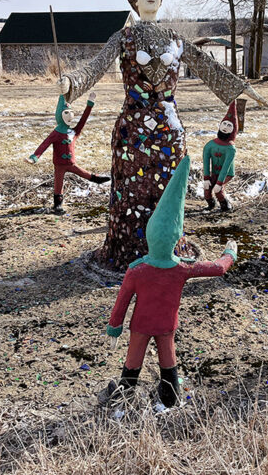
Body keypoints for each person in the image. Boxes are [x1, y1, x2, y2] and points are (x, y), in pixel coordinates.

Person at [57, 0, 266, 269]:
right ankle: (129, 250)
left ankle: (168, 248)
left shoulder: (175, 39)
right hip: (133, 132)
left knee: (167, 190)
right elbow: (95, 66)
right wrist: (71, 83)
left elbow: (208, 68)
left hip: (169, 130)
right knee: (132, 193)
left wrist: (242, 89)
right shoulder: (124, 37)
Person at [102, 156, 237, 408]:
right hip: (166, 325)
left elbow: (122, 302)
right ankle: (169, 399)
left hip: (140, 326)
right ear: (175, 238)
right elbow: (218, 268)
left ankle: (123, 397)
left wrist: (114, 327)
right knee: (168, 360)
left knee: (133, 361)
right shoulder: (182, 268)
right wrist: (230, 252)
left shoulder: (137, 270)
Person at [28, 92, 110, 214]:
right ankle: (57, 205)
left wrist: (90, 104)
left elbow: (83, 120)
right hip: (60, 165)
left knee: (84, 173)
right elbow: (44, 144)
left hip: (71, 164)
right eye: (66, 112)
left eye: (71, 112)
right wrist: (34, 157)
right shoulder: (56, 133)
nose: (70, 115)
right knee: (58, 184)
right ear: (60, 115)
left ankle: (96, 179)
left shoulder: (73, 132)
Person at [202, 100, 238, 212]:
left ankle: (225, 206)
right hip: (215, 172)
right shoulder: (210, 145)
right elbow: (206, 161)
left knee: (218, 190)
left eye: (229, 125)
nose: (225, 127)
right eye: (224, 124)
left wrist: (219, 182)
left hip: (226, 173)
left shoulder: (230, 148)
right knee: (207, 188)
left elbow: (226, 166)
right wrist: (206, 177)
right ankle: (210, 204)